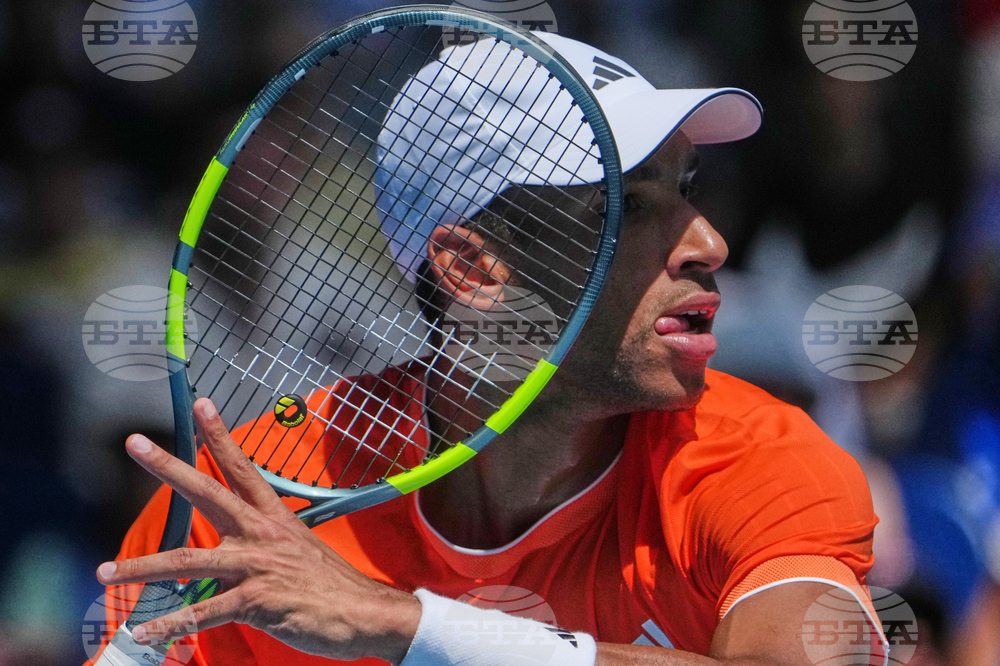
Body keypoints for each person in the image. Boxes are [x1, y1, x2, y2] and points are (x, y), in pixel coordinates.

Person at [92, 32, 887, 666]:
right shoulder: (246, 508)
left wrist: (405, 626)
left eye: (686, 190)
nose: (707, 243)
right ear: (473, 270)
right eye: (626, 209)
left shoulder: (757, 460)